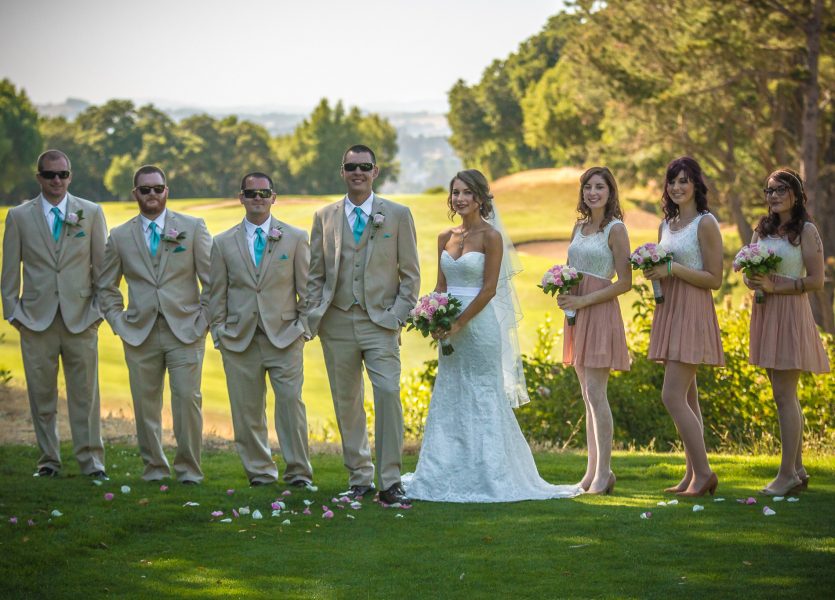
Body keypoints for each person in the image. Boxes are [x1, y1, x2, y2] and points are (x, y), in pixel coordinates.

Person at [402, 169, 582, 502]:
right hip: (448, 328)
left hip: (479, 327)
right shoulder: (445, 236)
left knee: (482, 393)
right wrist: (434, 316)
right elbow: (441, 286)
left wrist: (459, 322)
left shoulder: (491, 237)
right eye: (455, 192)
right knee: (451, 392)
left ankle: (490, 474)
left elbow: (487, 289)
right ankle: (445, 471)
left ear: (481, 198)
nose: (460, 198)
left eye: (467, 192)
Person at [307, 145, 420, 504]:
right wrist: (315, 313)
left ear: (375, 171)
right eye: (351, 166)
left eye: (365, 166)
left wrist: (396, 317)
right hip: (337, 322)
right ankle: (359, 477)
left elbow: (411, 276)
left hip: (381, 323)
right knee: (347, 401)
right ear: (342, 171)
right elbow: (315, 274)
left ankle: (390, 480)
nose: (358, 172)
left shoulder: (398, 215)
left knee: (387, 393)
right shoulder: (324, 216)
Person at [98, 165, 210, 484]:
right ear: (135, 193)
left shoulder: (192, 227)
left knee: (188, 400)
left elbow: (213, 282)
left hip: (185, 331)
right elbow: (106, 287)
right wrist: (119, 322)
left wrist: (202, 321)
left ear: (166, 191)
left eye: (157, 188)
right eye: (144, 189)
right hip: (139, 332)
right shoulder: (119, 236)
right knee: (145, 405)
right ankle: (154, 469)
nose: (151, 194)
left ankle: (189, 470)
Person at [1, 149, 108, 479]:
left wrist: (98, 312)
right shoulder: (18, 216)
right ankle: (48, 461)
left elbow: (102, 270)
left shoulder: (90, 212)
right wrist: (13, 314)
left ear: (70, 176)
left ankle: (92, 464)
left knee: (86, 397)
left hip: (81, 320)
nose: (57, 180)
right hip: (35, 320)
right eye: (50, 175)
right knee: (41, 395)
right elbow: (9, 272)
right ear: (39, 178)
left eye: (62, 174)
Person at [209, 172, 314, 488]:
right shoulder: (222, 242)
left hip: (284, 337)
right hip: (239, 340)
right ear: (240, 197)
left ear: (274, 197)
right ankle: (260, 472)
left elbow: (307, 290)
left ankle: (298, 473)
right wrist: (219, 334)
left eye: (263, 193)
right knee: (247, 412)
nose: (258, 198)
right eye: (251, 193)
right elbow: (216, 293)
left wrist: (303, 329)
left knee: (290, 407)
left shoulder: (295, 237)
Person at [745, 168, 829, 496]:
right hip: (765, 314)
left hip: (791, 313)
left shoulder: (807, 231)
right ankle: (798, 468)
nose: (774, 195)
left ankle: (786, 475)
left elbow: (817, 281)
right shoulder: (762, 229)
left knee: (784, 394)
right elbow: (749, 266)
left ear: (796, 193)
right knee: (784, 394)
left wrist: (775, 288)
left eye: (781, 189)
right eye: (769, 190)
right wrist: (752, 280)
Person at [644, 156, 724, 497]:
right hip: (669, 309)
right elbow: (664, 268)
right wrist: (655, 275)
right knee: (689, 398)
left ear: (696, 184)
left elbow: (715, 278)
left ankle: (704, 472)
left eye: (683, 181)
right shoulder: (667, 224)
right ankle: (692, 475)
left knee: (671, 394)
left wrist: (672, 269)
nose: (677, 187)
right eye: (672, 181)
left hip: (693, 310)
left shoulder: (706, 223)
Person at [557, 167, 631, 494]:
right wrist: (562, 289)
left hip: (599, 312)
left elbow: (625, 282)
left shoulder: (616, 229)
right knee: (587, 396)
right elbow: (571, 268)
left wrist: (585, 300)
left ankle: (604, 473)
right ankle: (590, 472)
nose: (592, 192)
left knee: (597, 394)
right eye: (587, 186)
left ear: (610, 191)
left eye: (599, 186)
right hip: (576, 314)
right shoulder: (579, 227)